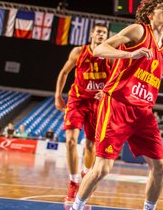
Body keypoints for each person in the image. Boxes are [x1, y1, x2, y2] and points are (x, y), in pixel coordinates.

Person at [70, 0, 163, 210]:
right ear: (149, 14)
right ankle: (76, 207)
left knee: (160, 167)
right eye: (162, 8)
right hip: (117, 105)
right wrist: (130, 54)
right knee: (102, 169)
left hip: (143, 113)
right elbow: (100, 50)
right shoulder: (138, 31)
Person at [55, 23, 110, 203]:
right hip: (77, 100)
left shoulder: (110, 55)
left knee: (90, 145)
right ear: (92, 34)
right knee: (70, 141)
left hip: (97, 103)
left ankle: (86, 175)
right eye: (99, 32)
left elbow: (120, 77)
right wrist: (57, 96)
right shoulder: (79, 52)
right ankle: (73, 181)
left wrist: (109, 91)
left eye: (104, 32)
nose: (101, 34)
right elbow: (63, 73)